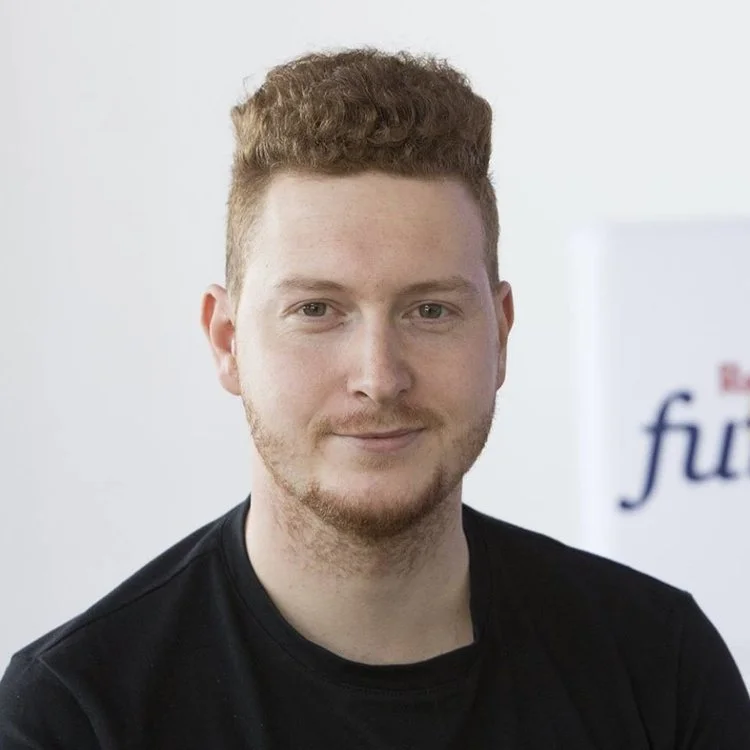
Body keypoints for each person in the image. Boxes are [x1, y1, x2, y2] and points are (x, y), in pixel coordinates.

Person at [1, 48, 749, 749]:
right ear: (227, 340)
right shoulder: (78, 715)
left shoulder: (659, 665)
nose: (378, 376)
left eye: (430, 311)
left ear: (502, 335)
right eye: (317, 310)